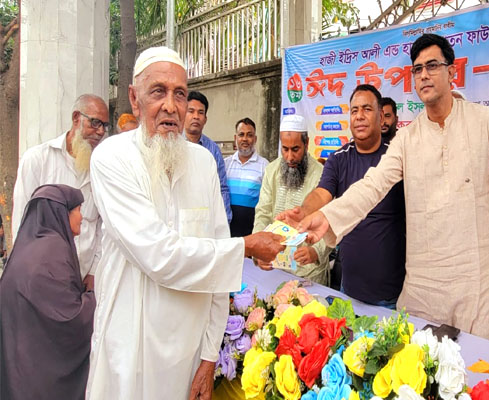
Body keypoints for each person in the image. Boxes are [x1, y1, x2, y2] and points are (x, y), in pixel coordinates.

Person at [297, 33, 489, 344]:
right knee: (422, 366)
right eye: (417, 69)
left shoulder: (485, 122)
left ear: (452, 71)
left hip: (478, 280)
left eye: (432, 66)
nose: (423, 75)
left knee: (478, 365)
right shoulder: (407, 139)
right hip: (425, 284)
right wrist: (328, 216)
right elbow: (372, 184)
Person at [85, 46, 284, 400]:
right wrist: (246, 247)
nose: (170, 106)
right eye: (157, 91)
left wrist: (209, 357)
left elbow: (219, 277)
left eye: (179, 94)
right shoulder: (111, 158)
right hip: (130, 350)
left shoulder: (204, 162)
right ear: (134, 99)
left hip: (188, 356)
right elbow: (159, 255)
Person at [278, 85, 406, 308]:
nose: (359, 116)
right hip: (349, 287)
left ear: (380, 116)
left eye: (367, 109)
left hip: (392, 293)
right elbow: (322, 193)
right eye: (354, 110)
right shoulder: (339, 159)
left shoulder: (396, 158)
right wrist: (304, 212)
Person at [0, 184, 95, 400]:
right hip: (40, 372)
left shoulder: (34, 246)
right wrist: (96, 299)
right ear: (61, 213)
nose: (82, 217)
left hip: (22, 360)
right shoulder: (52, 251)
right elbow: (68, 317)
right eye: (78, 210)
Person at [12, 93, 108, 284]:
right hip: (41, 276)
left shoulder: (101, 168)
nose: (100, 132)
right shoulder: (38, 159)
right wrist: (25, 271)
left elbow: (101, 224)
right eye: (95, 123)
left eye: (105, 126)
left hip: (84, 279)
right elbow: (22, 219)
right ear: (76, 118)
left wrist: (95, 271)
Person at [254, 114, 331, 285]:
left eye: (295, 149)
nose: (289, 157)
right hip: (274, 266)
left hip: (308, 271)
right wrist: (258, 248)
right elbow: (263, 213)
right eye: (285, 149)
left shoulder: (322, 175)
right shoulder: (271, 171)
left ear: (306, 143)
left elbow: (330, 219)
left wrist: (316, 252)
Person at [184, 90, 232, 224]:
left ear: (205, 119)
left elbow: (222, 188)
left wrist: (225, 220)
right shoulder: (172, 144)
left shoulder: (213, 149)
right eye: (191, 111)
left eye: (200, 112)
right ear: (182, 114)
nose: (196, 116)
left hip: (205, 220)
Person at [225, 117, 269, 237]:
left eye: (249, 135)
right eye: (241, 135)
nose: (245, 139)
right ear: (235, 138)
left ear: (255, 139)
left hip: (252, 232)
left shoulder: (265, 166)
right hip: (227, 233)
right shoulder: (226, 164)